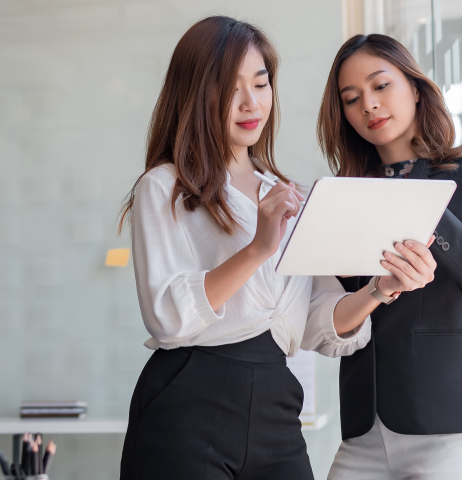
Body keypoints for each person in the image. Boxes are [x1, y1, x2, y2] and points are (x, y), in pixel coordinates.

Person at [117, 18, 436, 480]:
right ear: (195, 93)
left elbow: (315, 322)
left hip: (276, 403)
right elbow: (167, 317)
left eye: (261, 83)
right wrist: (258, 247)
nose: (251, 103)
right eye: (230, 88)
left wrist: (378, 290)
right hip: (189, 398)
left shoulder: (290, 194)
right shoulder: (165, 186)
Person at [317, 34, 462, 479]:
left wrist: (427, 209)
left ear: (414, 87)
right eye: (351, 99)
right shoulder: (344, 197)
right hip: (364, 429)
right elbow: (334, 316)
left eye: (380, 86)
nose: (368, 105)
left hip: (453, 427)